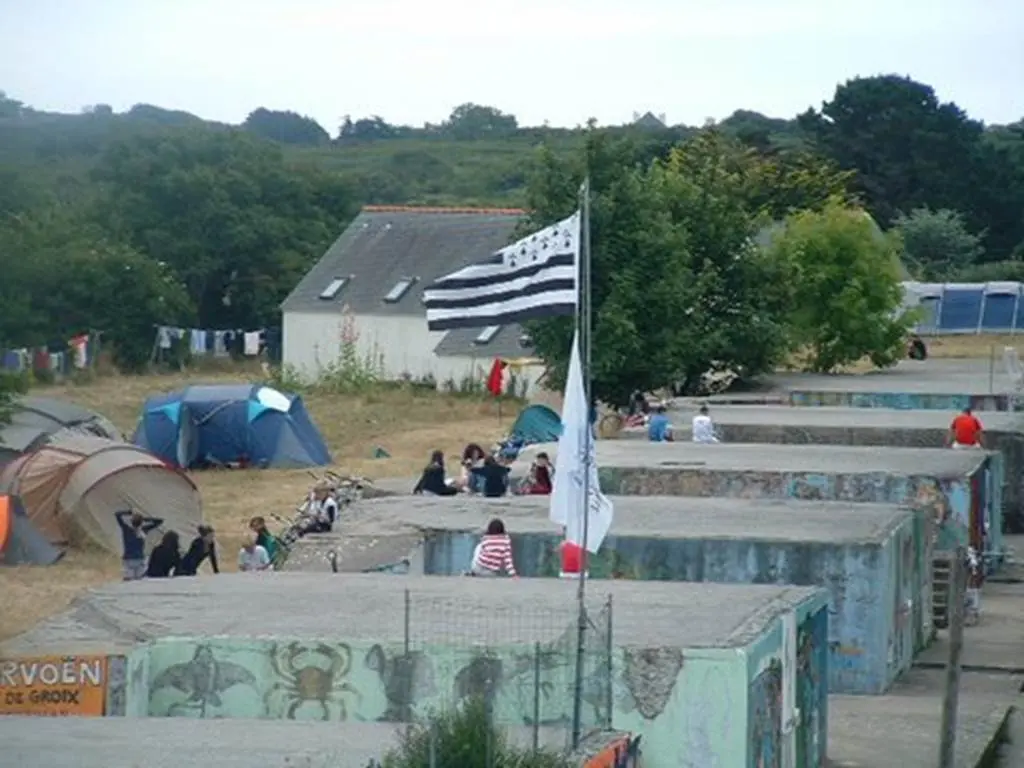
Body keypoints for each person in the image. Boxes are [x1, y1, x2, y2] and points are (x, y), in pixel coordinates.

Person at [115, 509, 163, 581]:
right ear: (141, 522)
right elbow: (159, 521)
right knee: (139, 581)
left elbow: (117, 515)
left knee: (128, 581)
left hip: (128, 558)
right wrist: (145, 519)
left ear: (131, 522)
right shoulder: (144, 530)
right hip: (139, 558)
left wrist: (127, 512)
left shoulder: (127, 530)